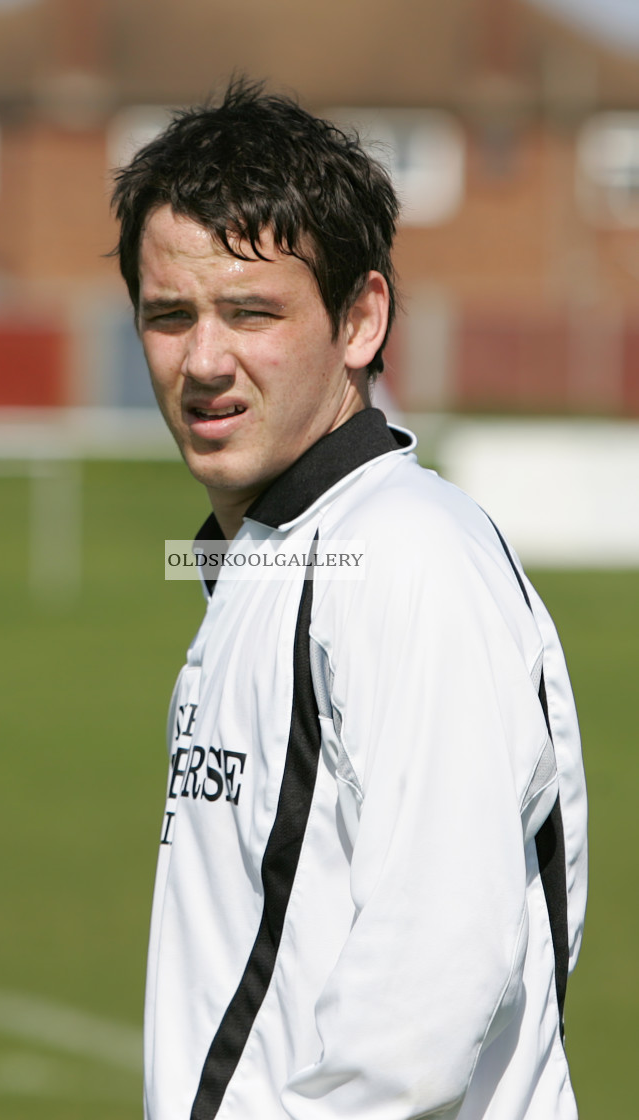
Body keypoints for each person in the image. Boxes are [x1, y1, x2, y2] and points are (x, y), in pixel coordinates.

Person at [112, 79, 588, 1120]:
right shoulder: (279, 559)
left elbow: (428, 997)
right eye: (168, 315)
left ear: (360, 318)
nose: (203, 361)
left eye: (250, 312)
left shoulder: (406, 557)